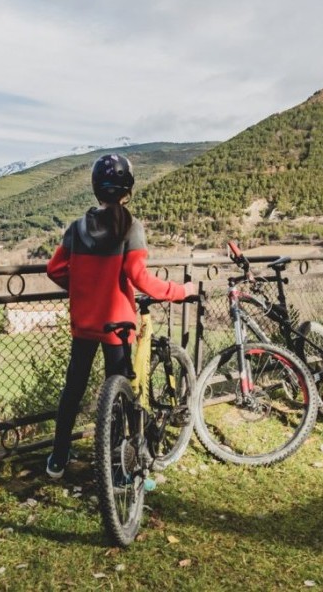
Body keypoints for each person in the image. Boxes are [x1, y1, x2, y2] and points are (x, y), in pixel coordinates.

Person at [45, 153, 196, 479]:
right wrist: (180, 291)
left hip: (84, 324)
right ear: (128, 189)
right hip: (118, 327)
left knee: (73, 388)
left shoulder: (77, 227)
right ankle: (116, 463)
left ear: (96, 189)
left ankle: (57, 458)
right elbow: (140, 278)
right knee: (118, 393)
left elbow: (55, 269)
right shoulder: (131, 226)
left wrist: (83, 287)